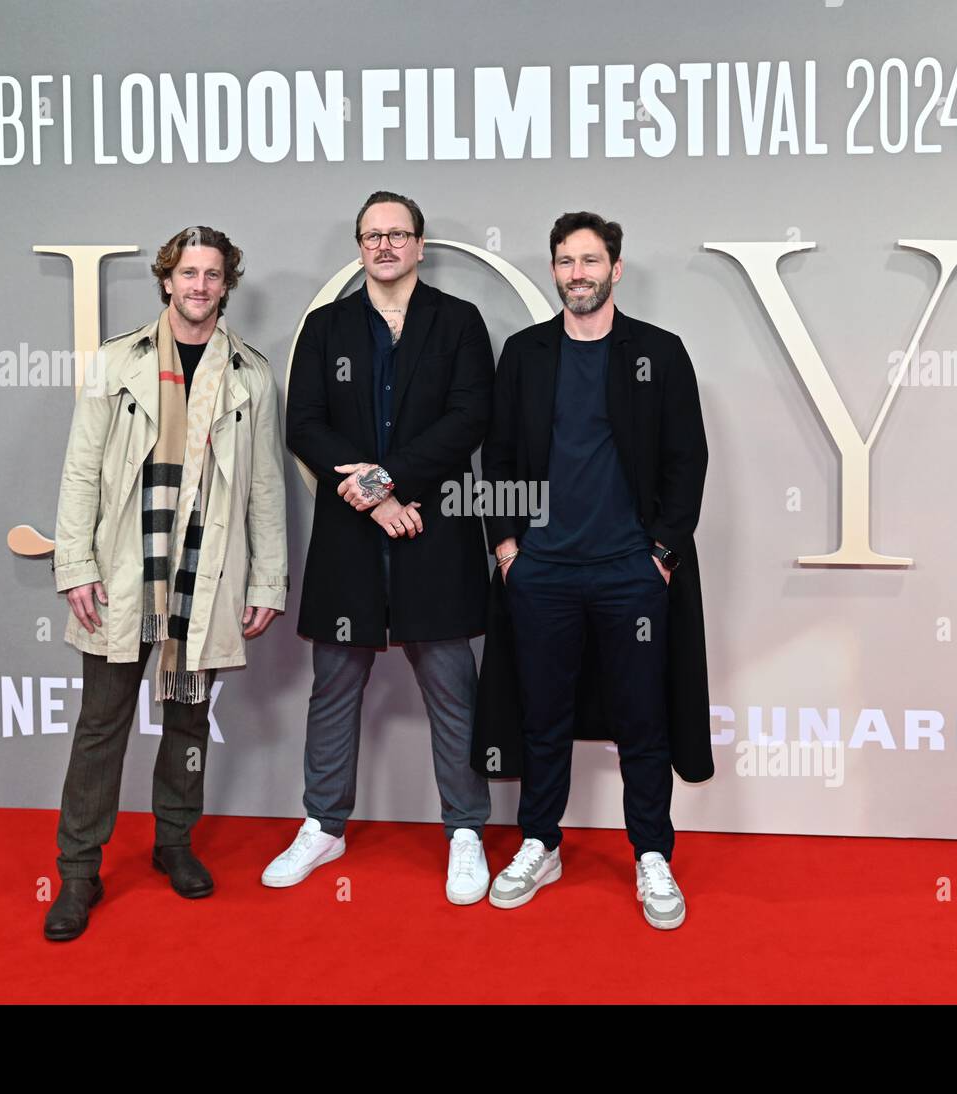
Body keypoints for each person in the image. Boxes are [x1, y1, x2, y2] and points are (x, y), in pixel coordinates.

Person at [44, 225, 287, 940]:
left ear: (226, 283)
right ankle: (78, 872)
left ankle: (174, 843)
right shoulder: (117, 361)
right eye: (188, 272)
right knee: (101, 725)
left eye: (213, 274)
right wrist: (76, 565)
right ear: (167, 279)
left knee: (188, 720)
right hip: (125, 567)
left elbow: (266, 488)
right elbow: (81, 471)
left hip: (202, 571)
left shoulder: (250, 373)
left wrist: (267, 579)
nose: (200, 285)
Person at [475, 211, 713, 930]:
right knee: (542, 720)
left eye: (589, 260)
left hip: (630, 575)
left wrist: (662, 555)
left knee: (643, 722)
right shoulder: (524, 353)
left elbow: (687, 459)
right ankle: (540, 844)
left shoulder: (659, 353)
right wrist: (508, 549)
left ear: (615, 267)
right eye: (565, 262)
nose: (577, 273)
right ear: (554, 271)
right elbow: (500, 458)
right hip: (543, 571)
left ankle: (651, 855)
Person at [267, 191, 494, 904]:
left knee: (454, 691)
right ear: (359, 246)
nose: (386, 245)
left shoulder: (458, 323)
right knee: (333, 690)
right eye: (373, 235)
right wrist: (376, 498)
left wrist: (388, 478)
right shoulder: (326, 327)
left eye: (399, 234)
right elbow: (303, 423)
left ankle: (464, 830)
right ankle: (323, 824)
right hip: (353, 540)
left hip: (434, 533)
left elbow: (470, 419)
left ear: (420, 246)